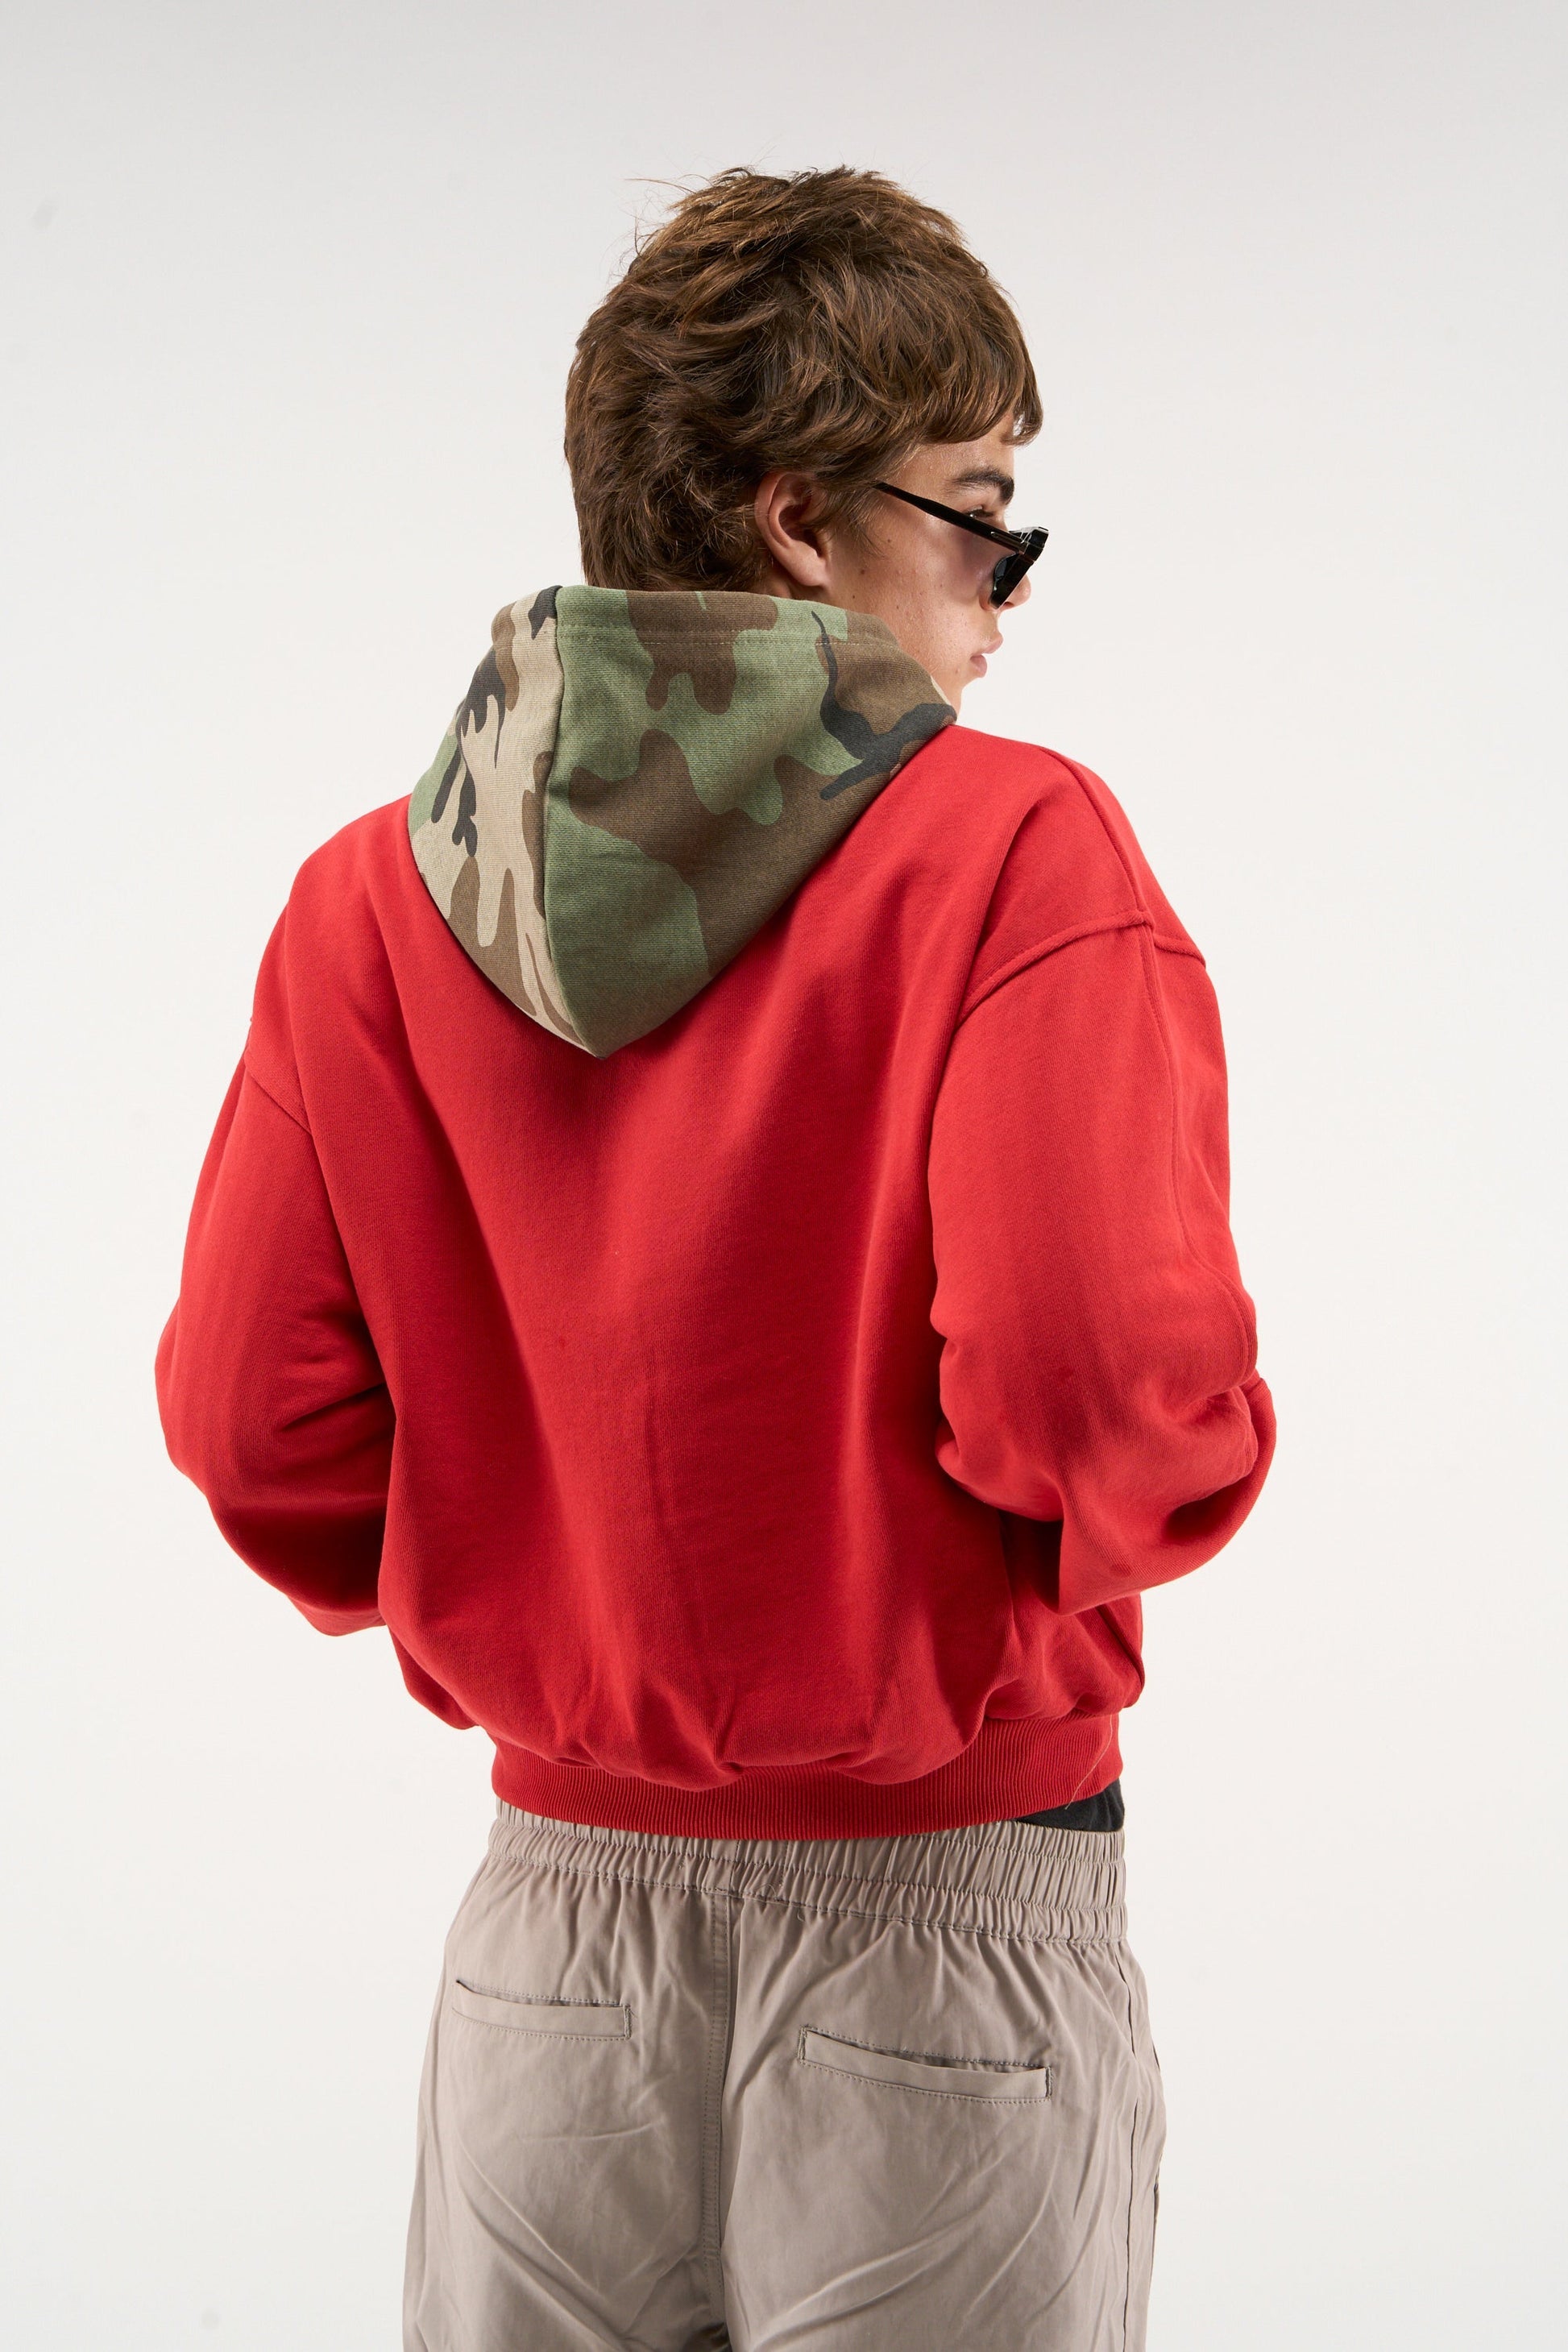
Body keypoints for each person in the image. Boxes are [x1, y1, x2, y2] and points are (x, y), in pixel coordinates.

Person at [156, 165, 1275, 2351]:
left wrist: (531, 1563)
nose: (1004, 599)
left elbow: (245, 1423)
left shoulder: (366, 902)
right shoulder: (1008, 847)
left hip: (545, 1977)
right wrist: (1123, 1521)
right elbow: (1084, 1379)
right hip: (939, 1944)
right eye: (983, 518)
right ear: (802, 526)